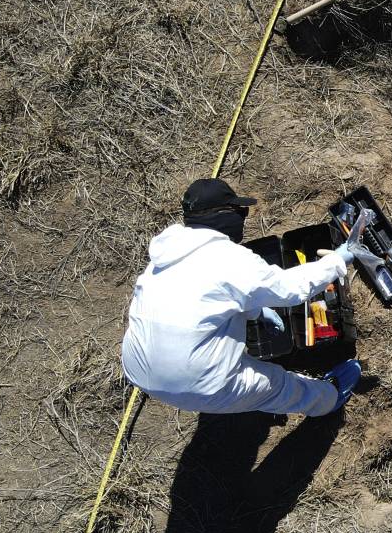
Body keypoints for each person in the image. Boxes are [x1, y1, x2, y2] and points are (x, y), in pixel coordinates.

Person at [121, 178, 361, 417]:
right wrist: (337, 260)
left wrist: (256, 312)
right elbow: (291, 288)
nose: (243, 218)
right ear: (224, 214)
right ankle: (329, 398)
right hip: (201, 384)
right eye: (241, 211)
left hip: (138, 371)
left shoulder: (164, 257)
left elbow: (209, 298)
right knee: (278, 386)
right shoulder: (230, 258)